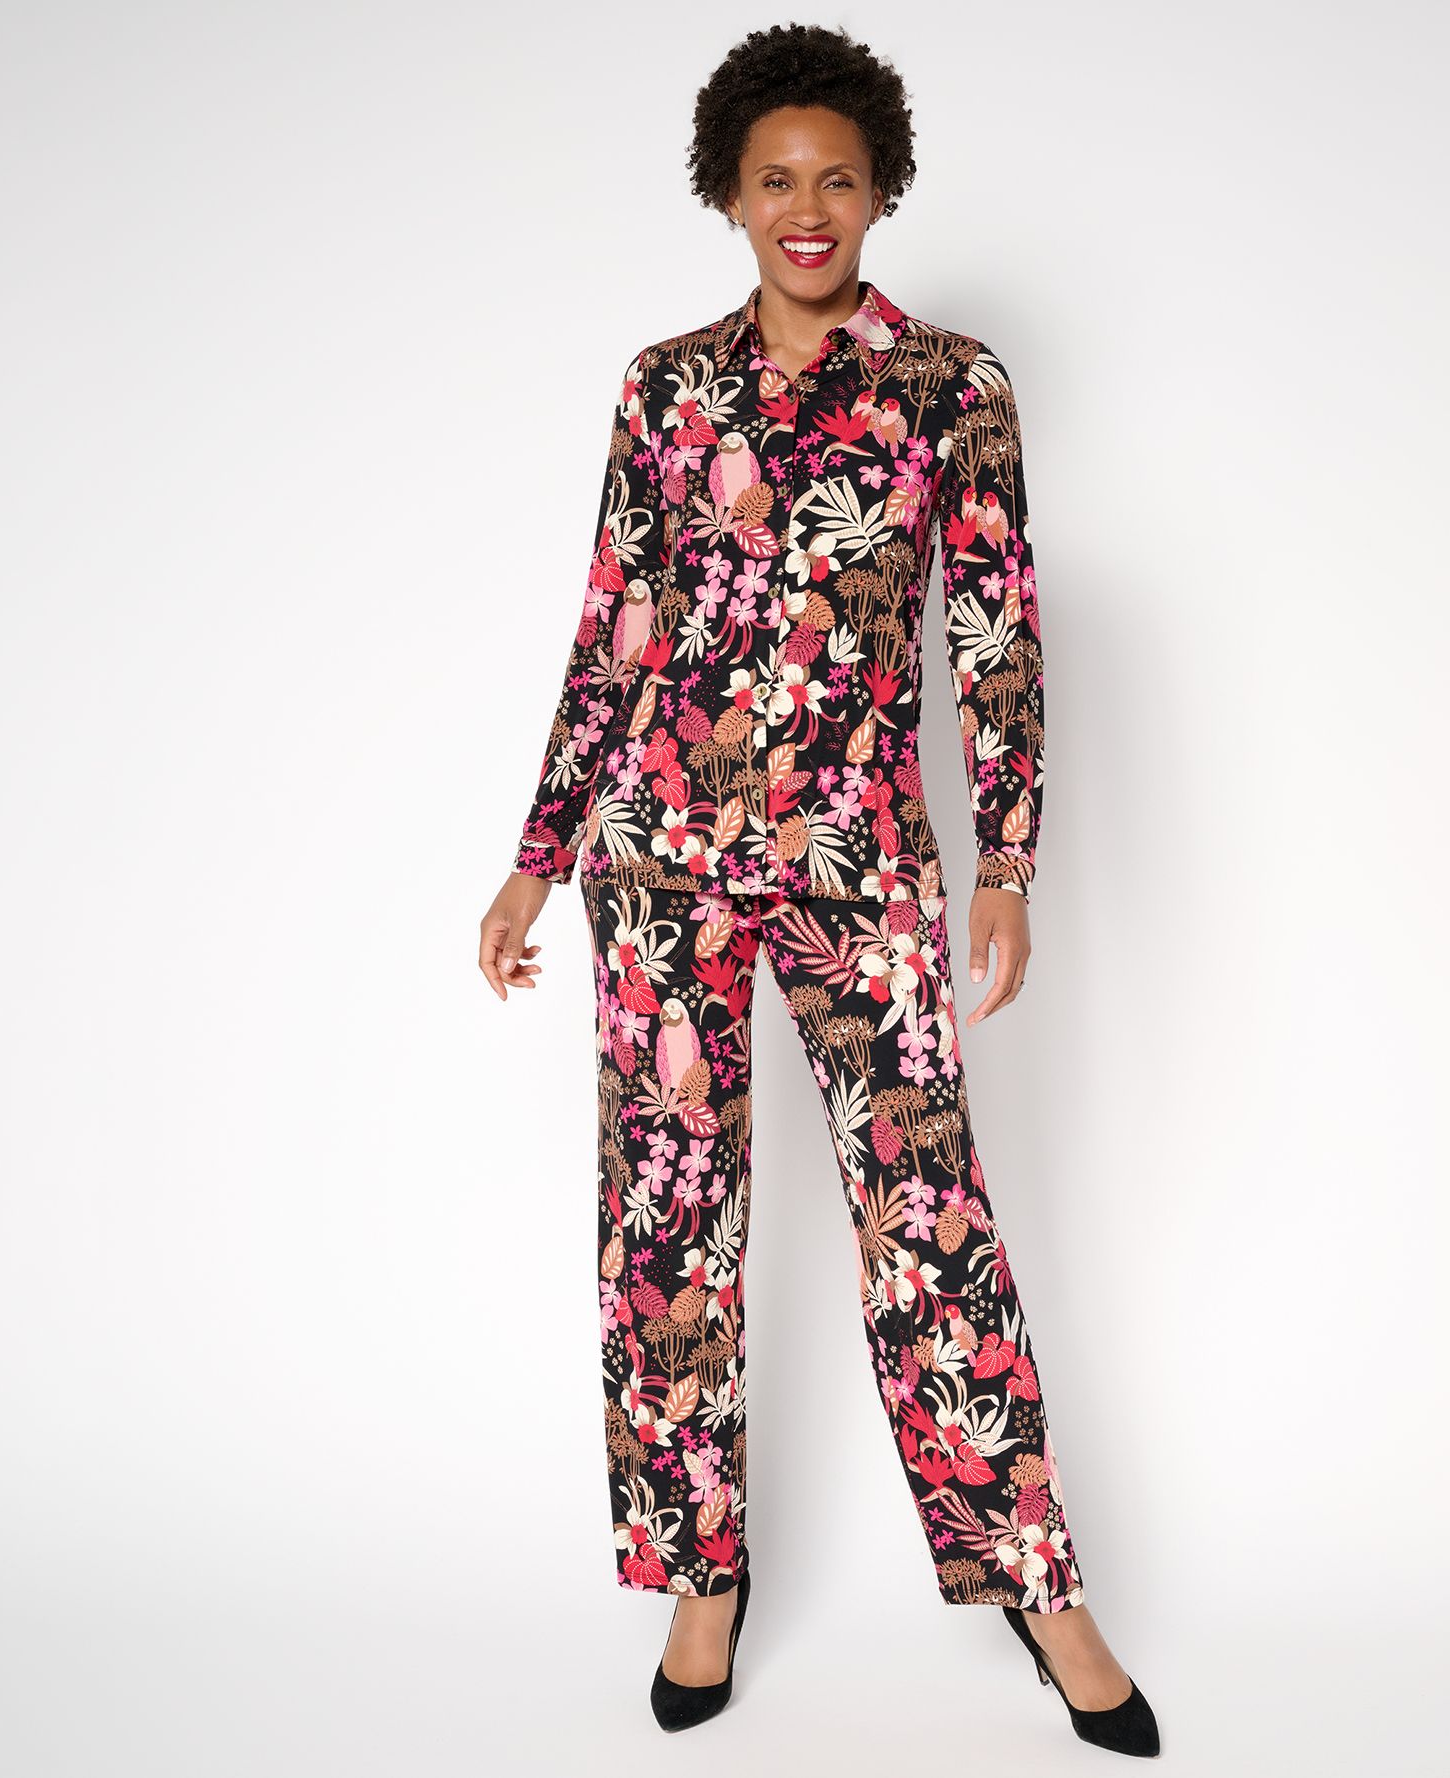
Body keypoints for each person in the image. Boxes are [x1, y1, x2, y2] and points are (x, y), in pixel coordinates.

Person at [478, 23, 1159, 1757]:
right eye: (775, 178)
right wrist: (540, 854)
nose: (806, 206)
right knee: (669, 1223)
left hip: (861, 866)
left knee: (928, 1216)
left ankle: (1042, 1590)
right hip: (662, 860)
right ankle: (701, 1575)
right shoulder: (663, 387)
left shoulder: (952, 386)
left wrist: (1007, 857)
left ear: (880, 192)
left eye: (837, 179)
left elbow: (995, 630)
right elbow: (613, 627)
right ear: (728, 193)